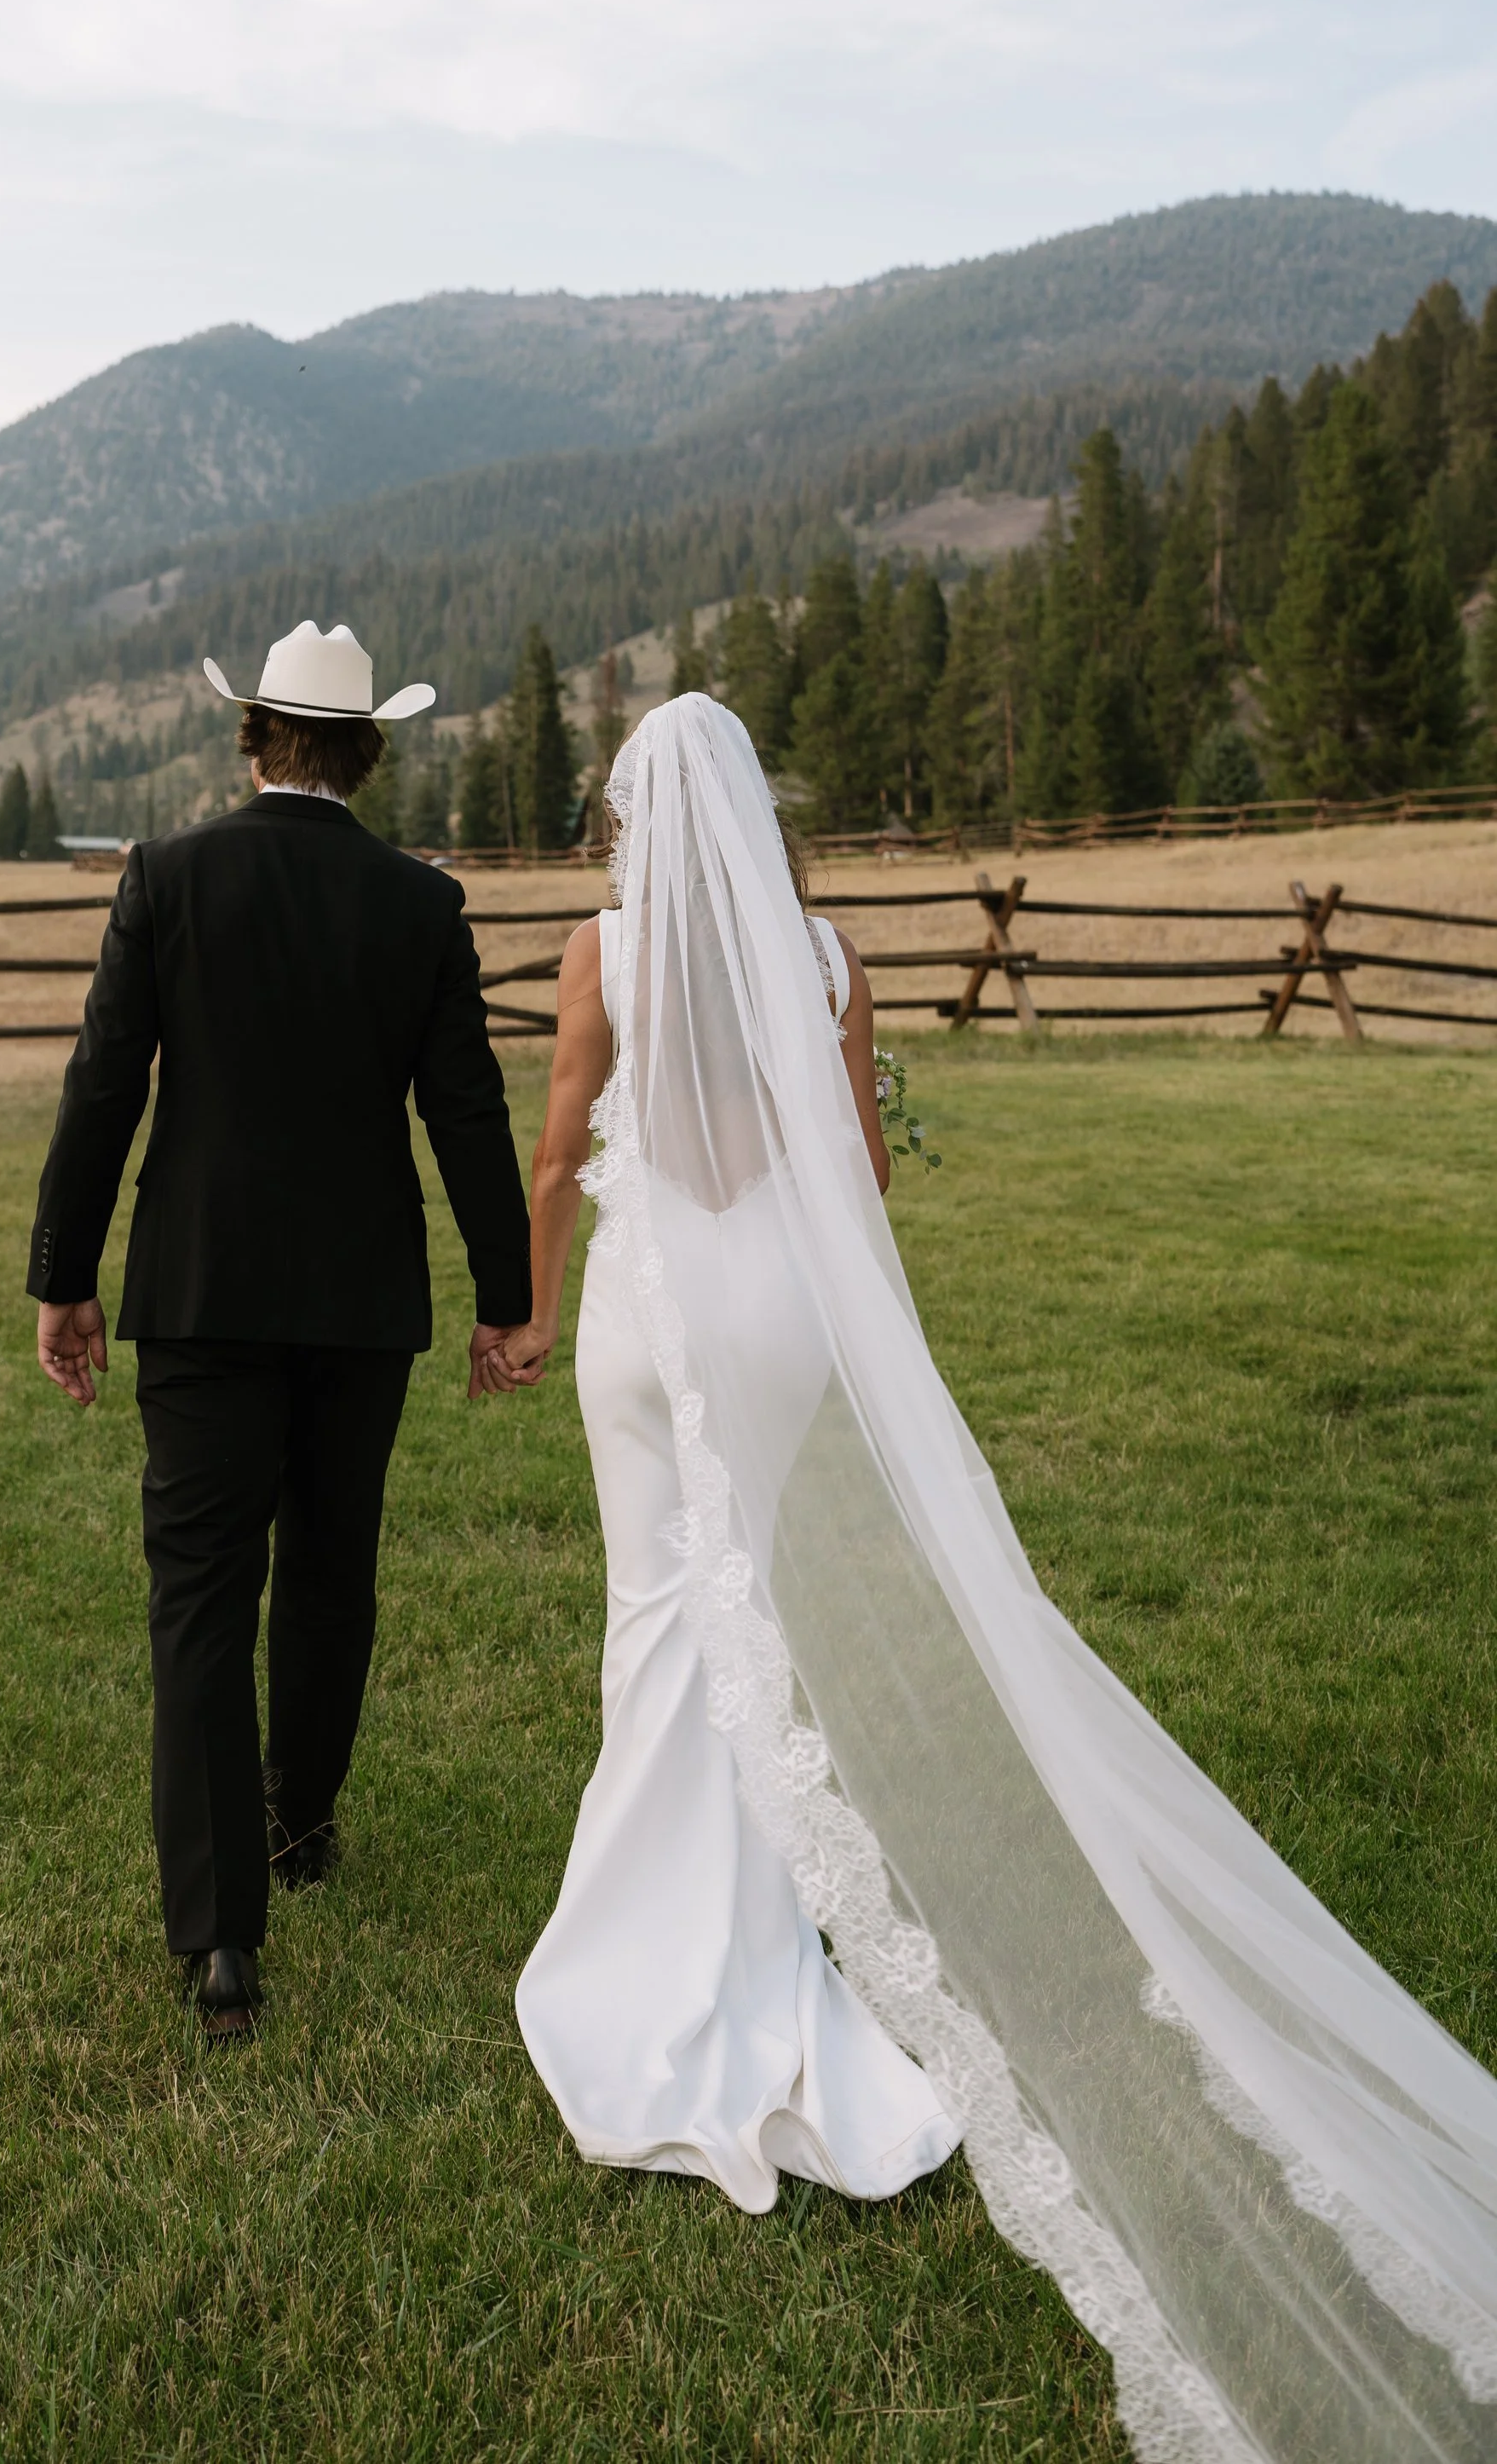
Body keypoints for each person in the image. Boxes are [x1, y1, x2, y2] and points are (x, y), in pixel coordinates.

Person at [490, 693, 1497, 2464]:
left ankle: (655, 1965)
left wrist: (534, 1301)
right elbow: (855, 1181)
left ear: (632, 822)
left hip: (651, 1329)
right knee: (762, 1622)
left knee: (655, 1617)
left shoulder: (598, 949)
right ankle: (736, 1944)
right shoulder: (822, 952)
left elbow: (565, 1146)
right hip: (786, 1329)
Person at [27, 620, 533, 2044]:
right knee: (328, 1566)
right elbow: (469, 1112)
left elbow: (101, 1086)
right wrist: (508, 1295)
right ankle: (301, 1824)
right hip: (363, 1302)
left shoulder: (167, 876)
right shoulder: (421, 906)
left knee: (197, 1591)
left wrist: (65, 1273)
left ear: (254, 737)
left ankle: (220, 1938)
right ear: (367, 751)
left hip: (198, 1291)